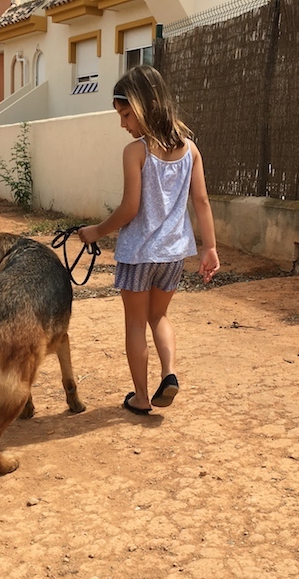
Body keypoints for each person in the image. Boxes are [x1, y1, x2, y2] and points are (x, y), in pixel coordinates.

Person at [78, 65, 220, 415]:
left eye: (126, 114)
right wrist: (210, 248)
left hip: (138, 255)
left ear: (146, 106)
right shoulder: (191, 150)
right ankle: (169, 373)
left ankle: (141, 398)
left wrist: (96, 231)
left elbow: (130, 208)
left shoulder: (136, 153)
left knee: (135, 325)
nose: (123, 123)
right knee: (160, 317)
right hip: (173, 255)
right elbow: (201, 201)